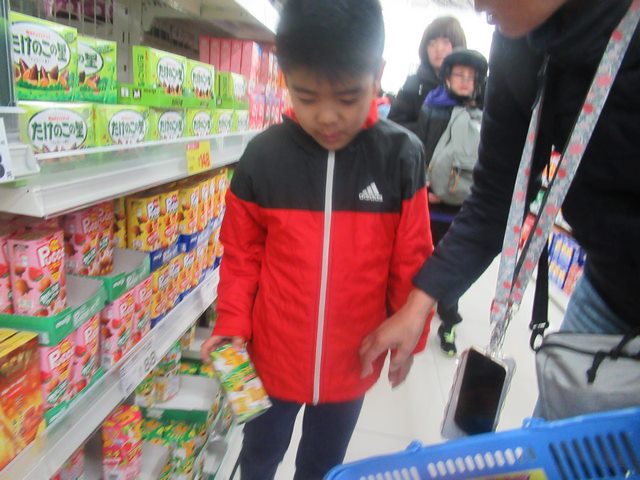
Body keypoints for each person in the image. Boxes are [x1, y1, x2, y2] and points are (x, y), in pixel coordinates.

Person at [200, 1, 434, 478]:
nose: (327, 116)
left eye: (347, 98)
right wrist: (232, 321)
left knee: (324, 465)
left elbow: (411, 258)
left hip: (353, 361)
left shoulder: (400, 156)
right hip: (270, 360)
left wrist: (413, 334)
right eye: (306, 97)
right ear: (284, 77)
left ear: (378, 74)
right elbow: (242, 254)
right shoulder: (263, 157)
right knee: (259, 455)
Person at [360, 0, 640, 386]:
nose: (477, 4)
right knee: (563, 422)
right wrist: (419, 303)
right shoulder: (518, 40)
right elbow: (496, 196)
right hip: (607, 292)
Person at [417, 49, 488, 355]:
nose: (465, 81)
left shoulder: (482, 116)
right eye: (459, 74)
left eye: (471, 77)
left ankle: (449, 323)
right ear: (447, 77)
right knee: (422, 262)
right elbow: (421, 149)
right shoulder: (433, 109)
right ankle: (415, 316)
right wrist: (423, 188)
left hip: (462, 210)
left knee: (452, 269)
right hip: (430, 206)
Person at [387, 16, 466, 133]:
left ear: (458, 45)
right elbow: (393, 127)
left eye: (446, 42)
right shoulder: (413, 84)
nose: (438, 49)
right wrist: (430, 128)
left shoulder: (469, 85)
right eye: (432, 43)